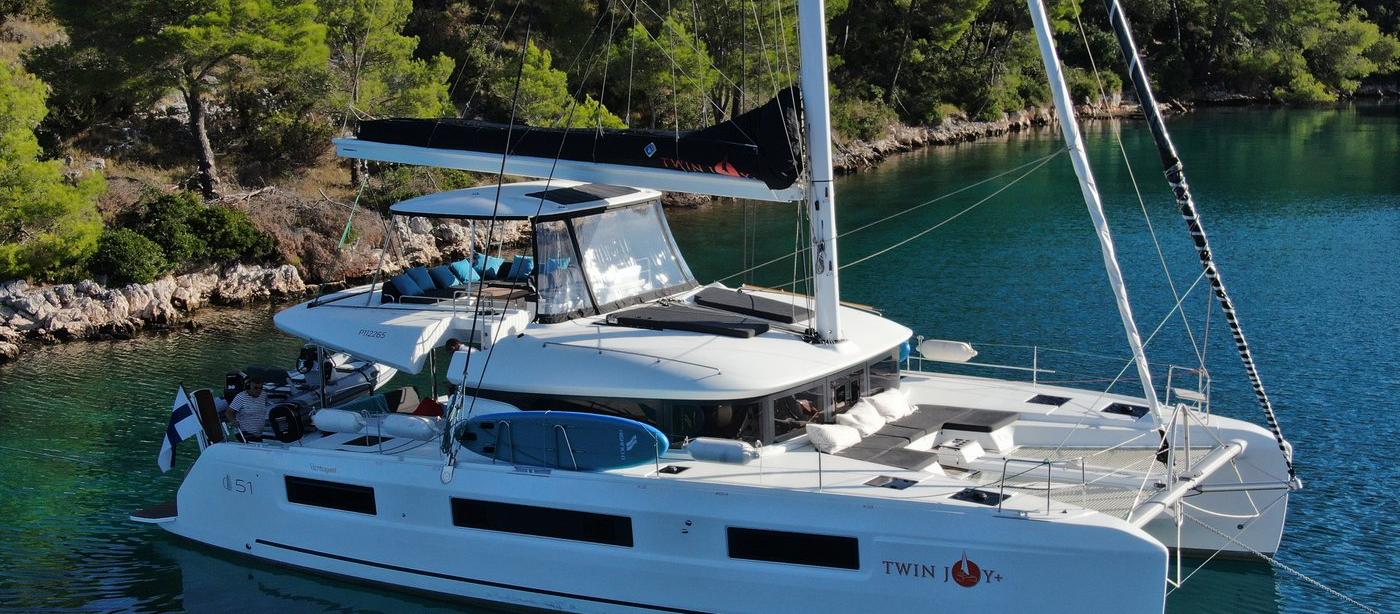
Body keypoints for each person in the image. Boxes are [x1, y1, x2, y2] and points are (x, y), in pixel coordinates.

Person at [225, 377, 272, 442]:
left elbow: (265, 406)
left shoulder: (263, 395)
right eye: (255, 388)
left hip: (258, 433)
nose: (258, 390)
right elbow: (229, 412)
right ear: (248, 387)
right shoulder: (241, 397)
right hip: (244, 434)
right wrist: (233, 421)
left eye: (261, 388)